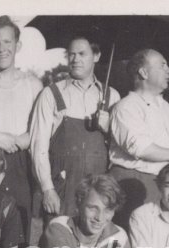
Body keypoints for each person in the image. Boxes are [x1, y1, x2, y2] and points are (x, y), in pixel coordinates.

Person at [30, 34, 120, 220]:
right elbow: (38, 147)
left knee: (94, 246)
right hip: (62, 187)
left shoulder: (112, 96)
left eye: (82, 54)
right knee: (59, 243)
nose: (75, 59)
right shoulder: (51, 94)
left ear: (96, 56)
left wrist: (109, 129)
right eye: (71, 54)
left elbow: (120, 148)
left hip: (98, 189)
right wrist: (48, 189)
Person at [108, 49, 169, 227]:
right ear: (143, 72)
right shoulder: (126, 107)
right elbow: (142, 149)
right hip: (131, 184)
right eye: (162, 65)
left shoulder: (165, 107)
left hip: (160, 184)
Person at [0, 16, 43, 240]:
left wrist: (24, 139)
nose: (2, 48)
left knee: (18, 229)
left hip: (20, 163)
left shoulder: (33, 84)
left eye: (7, 42)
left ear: (18, 45)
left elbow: (40, 127)